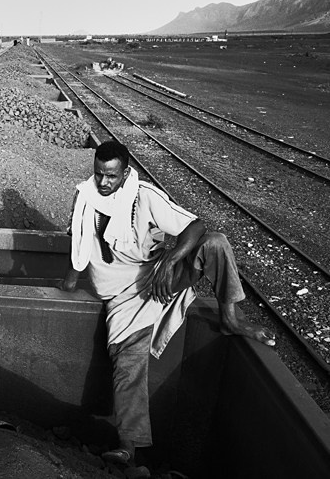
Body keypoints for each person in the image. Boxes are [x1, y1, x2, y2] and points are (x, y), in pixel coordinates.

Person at [59, 140, 276, 466]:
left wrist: (171, 261)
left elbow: (197, 226)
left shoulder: (144, 195)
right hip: (122, 298)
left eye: (112, 176)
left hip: (158, 278)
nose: (104, 183)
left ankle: (230, 319)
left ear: (126, 172)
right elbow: (79, 243)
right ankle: (128, 446)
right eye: (99, 174)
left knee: (215, 244)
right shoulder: (86, 196)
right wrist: (69, 282)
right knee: (127, 362)